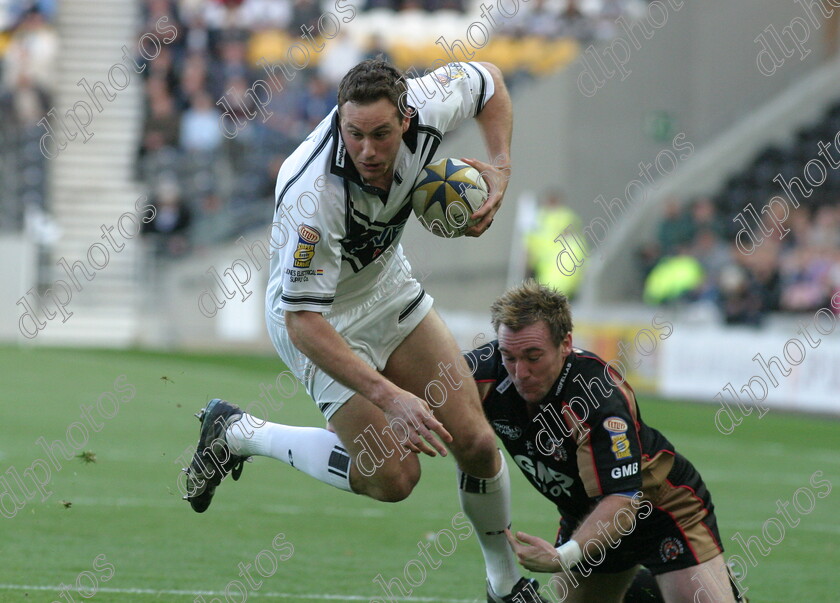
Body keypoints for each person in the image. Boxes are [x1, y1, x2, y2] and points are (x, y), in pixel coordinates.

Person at [182, 58, 550, 602]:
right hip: (318, 321)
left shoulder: (429, 102)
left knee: (474, 442)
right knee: (395, 479)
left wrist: (499, 166)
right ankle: (238, 434)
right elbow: (302, 321)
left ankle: (505, 584)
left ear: (406, 117)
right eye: (354, 134)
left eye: (380, 134)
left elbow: (492, 80)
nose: (368, 150)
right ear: (341, 123)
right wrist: (388, 395)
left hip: (387, 292)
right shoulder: (312, 193)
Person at [464, 280, 746, 602]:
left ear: (565, 343)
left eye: (533, 356)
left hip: (659, 511)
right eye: (509, 356)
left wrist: (563, 557)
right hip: (587, 519)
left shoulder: (596, 395)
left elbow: (623, 502)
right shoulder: (487, 368)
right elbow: (425, 381)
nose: (520, 372)